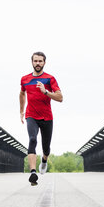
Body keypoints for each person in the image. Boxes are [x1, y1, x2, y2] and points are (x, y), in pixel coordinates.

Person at [19, 52, 63, 186]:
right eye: (35, 61)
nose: (37, 63)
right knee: (32, 139)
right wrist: (21, 110)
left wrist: (45, 91)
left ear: (44, 63)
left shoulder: (50, 79)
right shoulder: (25, 79)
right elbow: (22, 93)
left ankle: (44, 161)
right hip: (31, 115)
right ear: (32, 62)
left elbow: (60, 98)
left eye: (40, 61)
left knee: (46, 148)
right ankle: (33, 172)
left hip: (46, 117)